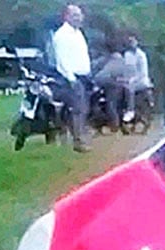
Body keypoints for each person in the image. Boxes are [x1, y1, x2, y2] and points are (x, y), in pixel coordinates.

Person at [52, 4, 92, 152]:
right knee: (78, 109)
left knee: (84, 109)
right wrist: (71, 79)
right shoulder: (61, 35)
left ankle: (78, 136)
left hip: (83, 76)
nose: (79, 18)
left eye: (80, 15)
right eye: (75, 15)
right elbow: (62, 60)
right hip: (72, 78)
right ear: (67, 16)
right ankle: (78, 142)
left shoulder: (78, 33)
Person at [94, 43, 128, 131]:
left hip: (113, 85)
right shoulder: (122, 60)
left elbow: (103, 75)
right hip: (122, 84)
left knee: (111, 104)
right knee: (116, 105)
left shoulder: (112, 60)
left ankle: (115, 124)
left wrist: (95, 79)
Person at [122, 34, 152, 123]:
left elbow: (142, 72)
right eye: (129, 41)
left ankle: (130, 110)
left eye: (133, 41)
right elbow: (125, 69)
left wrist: (132, 79)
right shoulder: (127, 54)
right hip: (129, 79)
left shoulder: (141, 55)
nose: (131, 43)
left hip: (141, 80)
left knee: (130, 88)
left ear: (137, 42)